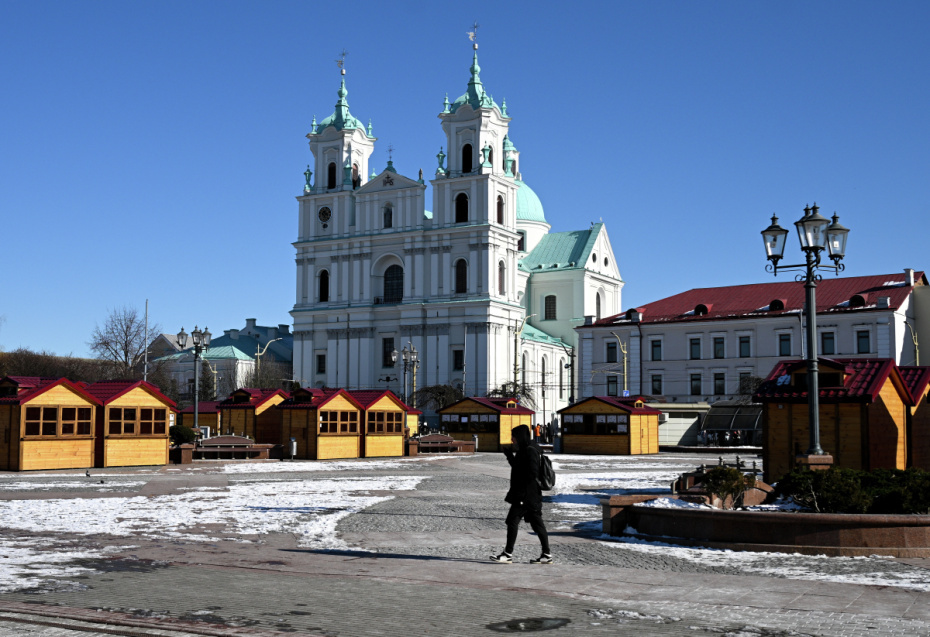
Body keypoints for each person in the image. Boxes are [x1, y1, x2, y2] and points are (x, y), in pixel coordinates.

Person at [490, 424, 552, 564]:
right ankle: (546, 554)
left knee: (513, 521)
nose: (512, 440)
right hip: (529, 495)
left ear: (520, 436)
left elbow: (532, 472)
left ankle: (508, 554)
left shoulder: (530, 451)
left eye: (514, 437)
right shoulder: (525, 449)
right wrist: (509, 456)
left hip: (526, 495)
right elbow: (518, 467)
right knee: (537, 524)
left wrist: (523, 489)